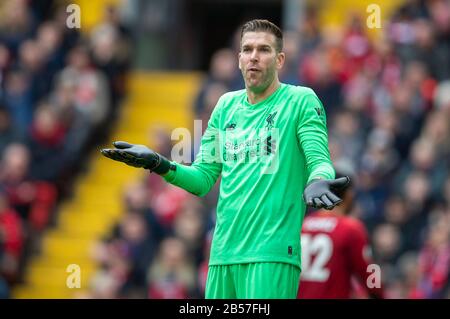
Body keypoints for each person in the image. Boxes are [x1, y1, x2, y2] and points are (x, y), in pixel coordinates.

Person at [101, 19, 349, 299]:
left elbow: (319, 158)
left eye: (264, 50)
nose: (254, 56)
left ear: (280, 60)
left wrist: (319, 179)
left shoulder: (300, 100)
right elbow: (203, 179)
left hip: (271, 253)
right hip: (221, 255)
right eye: (248, 49)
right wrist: (158, 163)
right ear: (239, 59)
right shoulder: (226, 106)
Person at [298, 169, 384, 299]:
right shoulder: (350, 228)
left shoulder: (303, 225)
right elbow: (370, 275)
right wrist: (380, 294)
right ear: (349, 194)